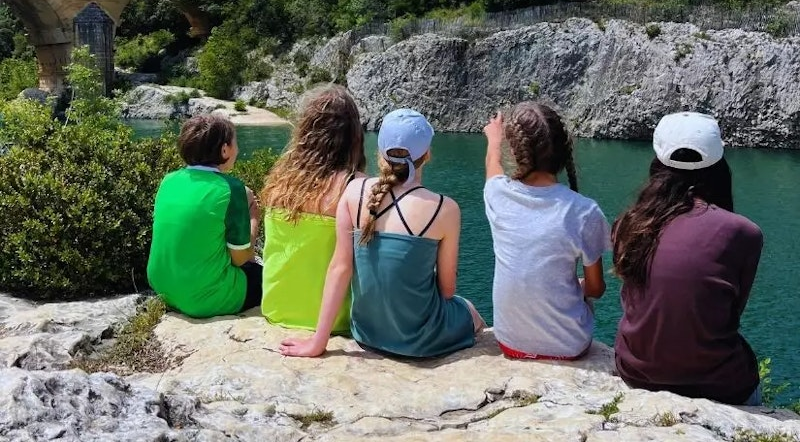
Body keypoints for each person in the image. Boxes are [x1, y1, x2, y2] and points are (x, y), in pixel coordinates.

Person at [280, 108, 484, 358]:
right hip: (420, 341)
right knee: (470, 311)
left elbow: (340, 269)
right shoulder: (444, 208)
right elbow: (447, 291)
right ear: (427, 154)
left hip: (367, 334)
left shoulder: (354, 191)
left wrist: (317, 342)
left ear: (380, 152)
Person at [613, 112, 763, 406]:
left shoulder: (627, 224)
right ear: (719, 164)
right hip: (719, 382)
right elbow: (730, 314)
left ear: (657, 164)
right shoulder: (744, 233)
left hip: (636, 372)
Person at [483, 102, 609, 360]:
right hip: (568, 347)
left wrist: (494, 139)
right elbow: (595, 289)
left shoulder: (497, 194)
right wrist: (577, 286)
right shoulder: (584, 211)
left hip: (510, 342)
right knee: (582, 294)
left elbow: (493, 167)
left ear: (516, 151)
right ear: (564, 152)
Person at [259, 84, 366, 333]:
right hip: (333, 321)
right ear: (354, 134)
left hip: (277, 308)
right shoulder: (354, 186)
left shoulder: (280, 182)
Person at [147, 114, 262, 318]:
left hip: (164, 290)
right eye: (236, 143)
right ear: (224, 150)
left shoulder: (169, 180)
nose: (239, 150)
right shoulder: (233, 190)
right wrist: (253, 217)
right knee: (264, 276)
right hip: (206, 298)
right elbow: (241, 258)